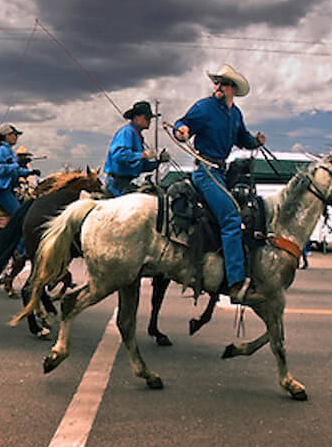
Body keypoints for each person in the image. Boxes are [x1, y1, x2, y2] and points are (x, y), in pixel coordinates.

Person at [173, 64, 264, 304]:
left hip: (221, 171)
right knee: (232, 217)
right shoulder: (205, 107)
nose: (217, 86)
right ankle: (235, 282)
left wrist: (255, 142)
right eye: (216, 82)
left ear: (232, 88)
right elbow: (182, 124)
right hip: (205, 170)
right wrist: (181, 131)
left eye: (222, 83)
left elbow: (242, 138)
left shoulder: (236, 115)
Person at [103, 100, 167, 197]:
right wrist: (143, 155)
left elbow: (141, 166)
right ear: (136, 118)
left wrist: (159, 161)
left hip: (125, 183)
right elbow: (118, 155)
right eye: (147, 118)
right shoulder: (127, 132)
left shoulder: (136, 135)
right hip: (117, 185)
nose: (149, 121)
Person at [0, 123, 38, 216]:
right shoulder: (0, 150)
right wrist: (18, 164)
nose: (16, 137)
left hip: (6, 188)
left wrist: (30, 172)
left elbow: (15, 171)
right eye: (14, 134)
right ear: (6, 136)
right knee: (19, 215)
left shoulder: (8, 150)